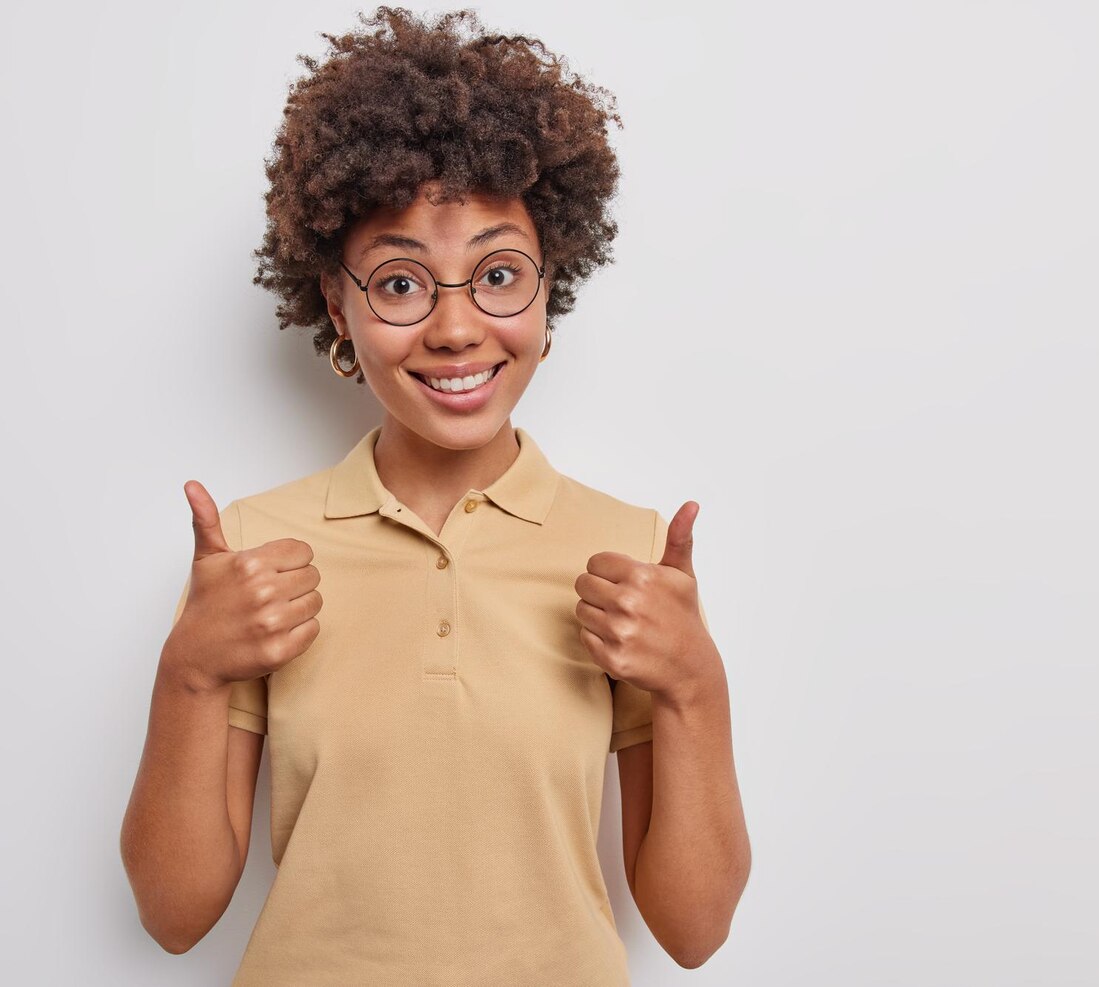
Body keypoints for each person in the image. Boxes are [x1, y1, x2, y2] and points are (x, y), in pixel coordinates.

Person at [120, 7, 751, 983]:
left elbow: (693, 930)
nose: (457, 329)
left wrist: (695, 688)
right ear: (338, 305)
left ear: (550, 287)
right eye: (404, 284)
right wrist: (189, 674)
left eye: (497, 274)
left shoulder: (625, 552)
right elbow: (173, 915)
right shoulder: (252, 549)